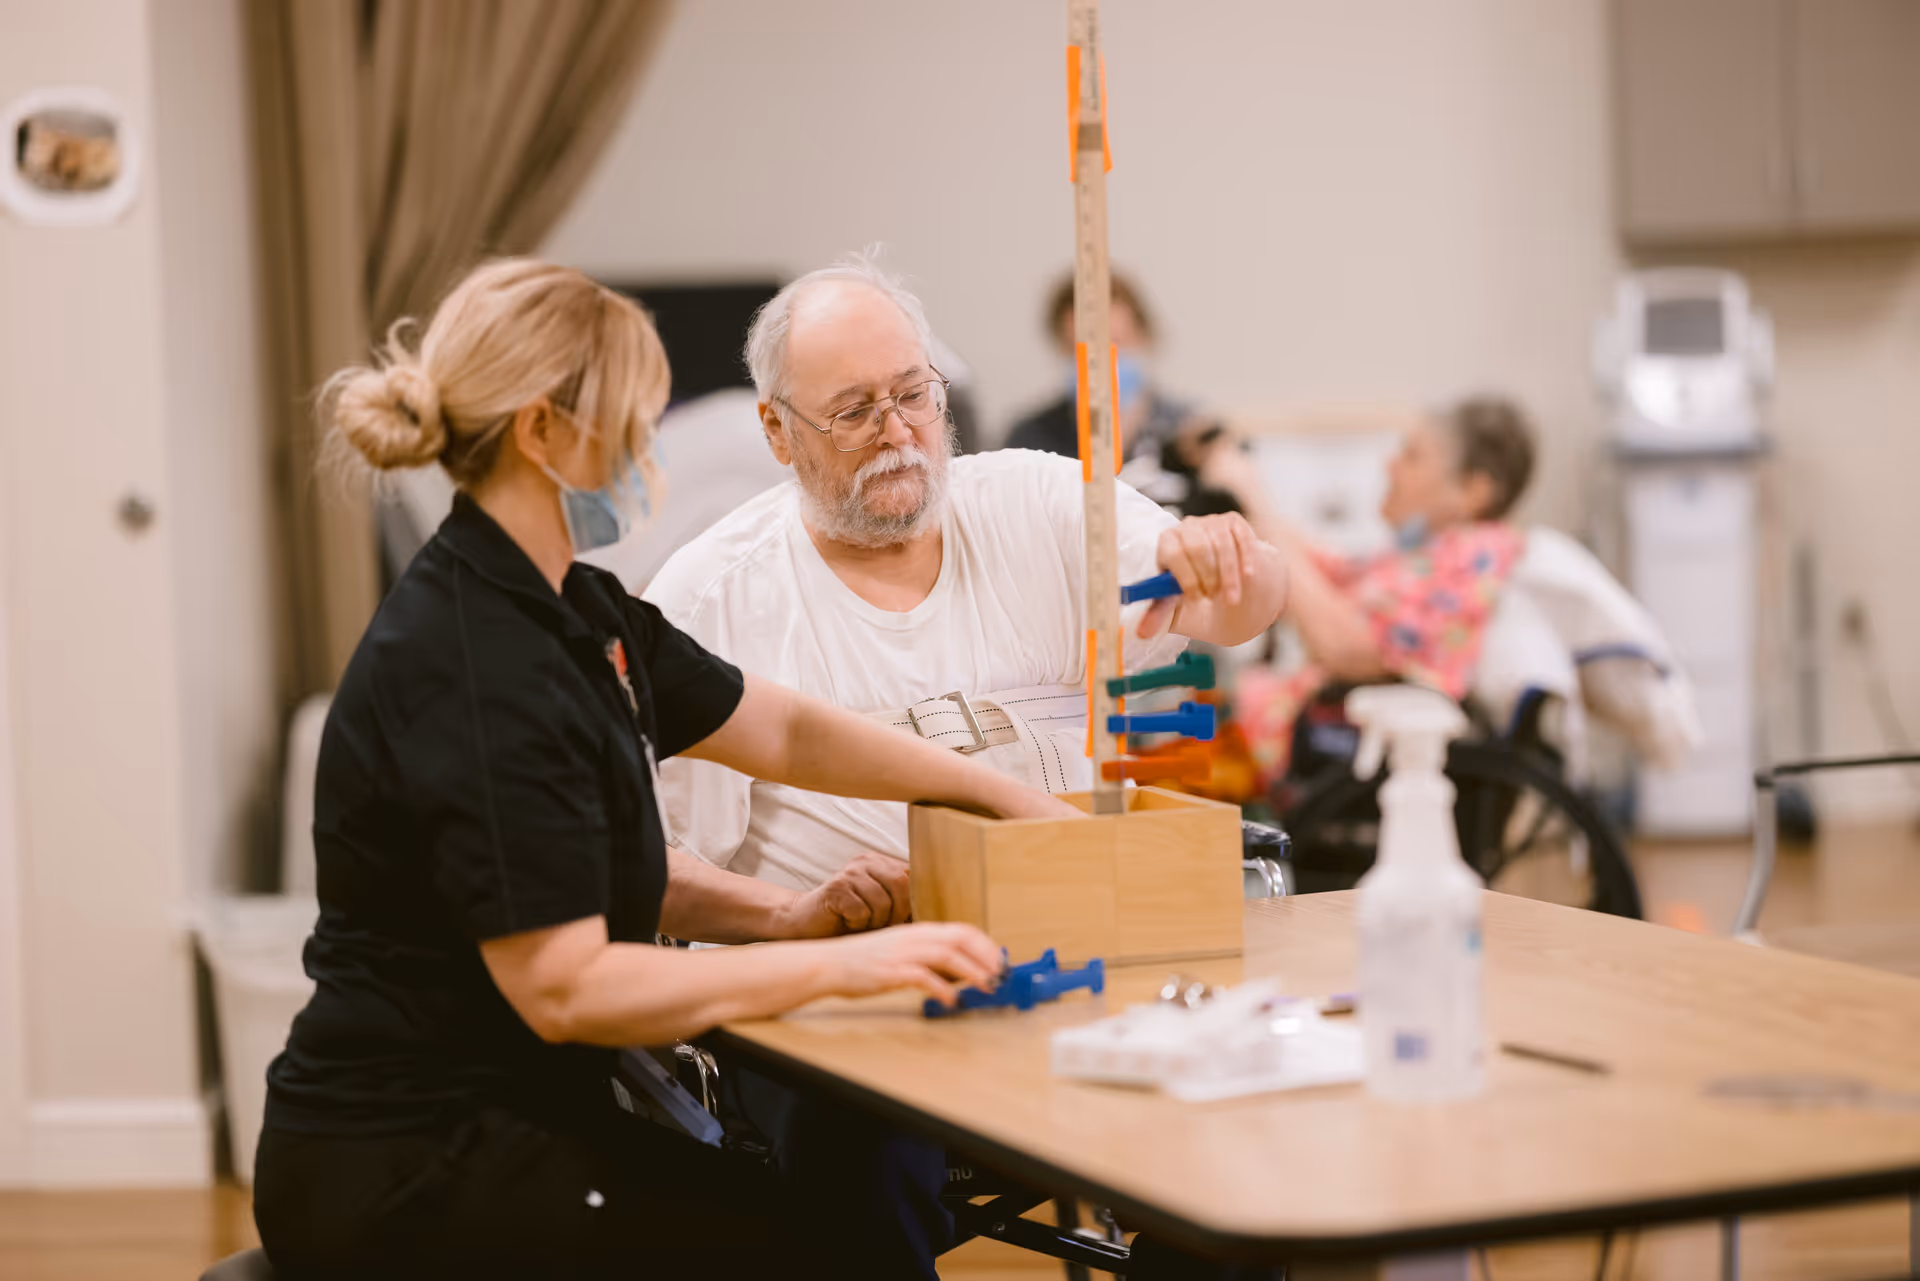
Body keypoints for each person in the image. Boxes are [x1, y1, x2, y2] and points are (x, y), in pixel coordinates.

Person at [250, 258, 1085, 1280]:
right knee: (828, 1246)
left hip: (528, 1118)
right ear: (544, 434)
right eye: (640, 420)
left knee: (838, 1222)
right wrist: (844, 964)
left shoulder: (578, 611)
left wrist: (995, 797)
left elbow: (782, 732)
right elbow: (568, 985)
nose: (655, 449)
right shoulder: (473, 665)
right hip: (412, 1159)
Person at [643, 253, 1288, 893]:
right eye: (853, 412)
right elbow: (665, 874)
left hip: (1084, 923)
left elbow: (1234, 613)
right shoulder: (709, 602)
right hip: (842, 972)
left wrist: (1231, 561)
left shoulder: (1039, 501)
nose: (896, 432)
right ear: (778, 431)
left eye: (913, 394)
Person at [1209, 396, 1537, 787]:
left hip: (1340, 749)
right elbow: (1338, 571)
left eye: (1412, 457)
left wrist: (1254, 498)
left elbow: (1344, 646)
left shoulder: (1472, 561)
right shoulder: (1436, 553)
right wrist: (1249, 512)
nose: (1390, 466)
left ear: (1473, 491)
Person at [1004, 269, 1190, 464]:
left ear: (1144, 338)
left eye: (1115, 342)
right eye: (1082, 347)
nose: (1099, 360)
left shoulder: (1187, 433)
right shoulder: (1029, 442)